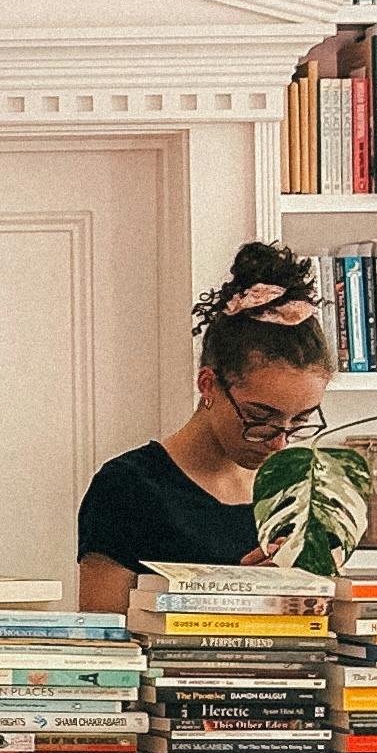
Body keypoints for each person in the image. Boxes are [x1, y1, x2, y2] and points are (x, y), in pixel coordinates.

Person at [75, 242, 333, 612]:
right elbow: (105, 650)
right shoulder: (127, 488)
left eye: (300, 421)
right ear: (208, 384)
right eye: (259, 419)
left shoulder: (299, 494)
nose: (279, 443)